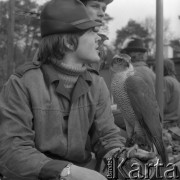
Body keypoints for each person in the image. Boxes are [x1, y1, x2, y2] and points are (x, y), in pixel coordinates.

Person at [0, 0, 156, 180]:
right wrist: (67, 172)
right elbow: (12, 152)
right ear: (68, 42)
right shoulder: (21, 83)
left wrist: (121, 158)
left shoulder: (96, 84)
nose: (99, 38)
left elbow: (107, 137)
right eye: (91, 32)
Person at [163, 59, 180, 129]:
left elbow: (162, 105)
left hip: (166, 124)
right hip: (175, 123)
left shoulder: (165, 81)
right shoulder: (176, 81)